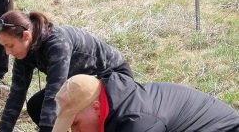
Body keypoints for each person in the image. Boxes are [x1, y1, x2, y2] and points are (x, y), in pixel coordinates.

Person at [0, 11, 132, 132]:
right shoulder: (23, 52)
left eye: (10, 45)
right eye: (4, 47)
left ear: (26, 36)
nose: (8, 52)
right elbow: (16, 95)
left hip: (113, 78)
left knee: (85, 112)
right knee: (36, 106)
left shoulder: (57, 43)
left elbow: (53, 92)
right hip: (83, 82)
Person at [53, 73, 239, 132]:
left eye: (76, 124)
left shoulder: (139, 122)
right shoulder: (116, 101)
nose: (75, 131)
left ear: (96, 108)